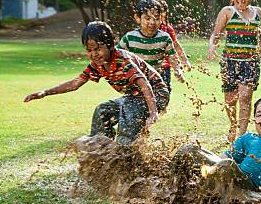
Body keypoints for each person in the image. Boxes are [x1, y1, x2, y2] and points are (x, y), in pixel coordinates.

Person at [23, 21, 169, 145]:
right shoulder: (97, 64)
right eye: (89, 50)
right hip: (134, 97)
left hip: (156, 95)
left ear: (111, 45)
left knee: (128, 109)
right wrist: (45, 92)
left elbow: (144, 84)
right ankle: (100, 149)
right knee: (102, 110)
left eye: (98, 49)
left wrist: (153, 112)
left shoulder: (123, 61)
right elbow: (75, 84)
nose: (94, 54)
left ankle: (126, 150)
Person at [172, 97, 261, 192]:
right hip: (235, 180)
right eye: (259, 114)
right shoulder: (248, 138)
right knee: (189, 149)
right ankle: (174, 188)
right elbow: (221, 158)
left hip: (253, 189)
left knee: (226, 165)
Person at [208, 0, 261, 143]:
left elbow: (256, 31)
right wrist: (212, 45)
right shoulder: (227, 12)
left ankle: (241, 135)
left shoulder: (257, 13)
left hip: (250, 62)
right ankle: (233, 125)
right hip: (230, 63)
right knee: (230, 100)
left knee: (245, 97)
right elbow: (216, 34)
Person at [117, 0, 184, 95]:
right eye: (147, 18)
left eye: (156, 18)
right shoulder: (130, 38)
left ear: (161, 18)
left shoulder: (164, 38)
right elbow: (117, 54)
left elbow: (172, 56)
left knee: (159, 103)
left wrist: (177, 70)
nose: (152, 22)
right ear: (137, 18)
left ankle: (161, 109)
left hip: (156, 81)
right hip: (136, 82)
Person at [157, 0, 192, 92]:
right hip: (148, 65)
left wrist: (185, 61)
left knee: (165, 90)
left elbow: (176, 45)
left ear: (165, 13)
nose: (159, 15)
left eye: (162, 12)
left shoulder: (167, 29)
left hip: (164, 67)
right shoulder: (146, 29)